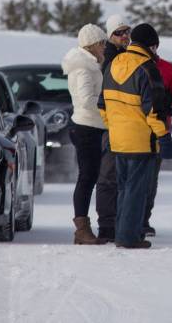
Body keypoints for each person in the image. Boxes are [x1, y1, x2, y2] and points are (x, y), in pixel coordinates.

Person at [98, 23, 172, 249]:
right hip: (142, 141)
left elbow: (102, 105)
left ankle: (121, 231)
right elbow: (155, 110)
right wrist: (164, 137)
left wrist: (114, 128)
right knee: (136, 191)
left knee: (123, 188)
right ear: (152, 45)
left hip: (118, 139)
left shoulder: (113, 64)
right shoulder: (147, 68)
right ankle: (128, 237)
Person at [62, 23, 109, 245]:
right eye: (102, 43)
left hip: (92, 126)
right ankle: (82, 228)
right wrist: (108, 106)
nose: (104, 48)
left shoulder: (89, 65)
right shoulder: (83, 68)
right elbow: (86, 100)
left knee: (89, 176)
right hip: (87, 127)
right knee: (87, 177)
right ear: (93, 45)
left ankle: (83, 228)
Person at [94, 14, 131, 241]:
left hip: (125, 123)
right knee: (108, 176)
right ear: (110, 36)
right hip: (109, 124)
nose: (125, 36)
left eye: (127, 31)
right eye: (119, 32)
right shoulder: (106, 58)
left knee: (123, 176)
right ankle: (107, 225)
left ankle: (121, 221)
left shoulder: (127, 56)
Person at [143, 46, 172, 238]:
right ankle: (125, 219)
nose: (150, 48)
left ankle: (144, 220)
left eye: (153, 45)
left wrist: (170, 98)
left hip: (160, 128)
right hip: (133, 130)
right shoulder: (130, 64)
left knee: (151, 180)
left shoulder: (167, 68)